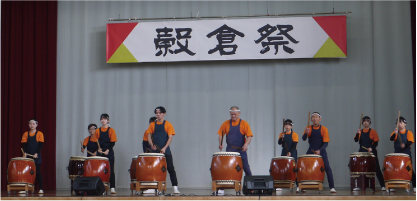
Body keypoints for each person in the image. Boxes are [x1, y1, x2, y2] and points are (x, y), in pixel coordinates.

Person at [217, 106, 253, 195]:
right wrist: (221, 143)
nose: (233, 116)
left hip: (241, 151)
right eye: (232, 114)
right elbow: (221, 134)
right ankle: (221, 188)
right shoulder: (225, 124)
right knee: (226, 169)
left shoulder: (244, 124)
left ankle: (251, 187)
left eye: (235, 114)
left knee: (246, 169)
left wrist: (246, 144)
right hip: (230, 150)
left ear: (239, 113)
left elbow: (249, 136)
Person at [146, 106, 180, 194]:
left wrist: (164, 148)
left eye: (160, 113)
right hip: (155, 151)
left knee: (170, 168)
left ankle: (175, 187)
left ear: (164, 114)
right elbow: (149, 136)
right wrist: (151, 145)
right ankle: (153, 187)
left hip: (165, 151)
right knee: (153, 169)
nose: (158, 115)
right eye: (156, 113)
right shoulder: (152, 124)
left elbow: (170, 138)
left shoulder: (168, 124)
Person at [302, 112, 336, 193]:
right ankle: (303, 187)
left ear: (320, 119)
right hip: (311, 150)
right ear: (311, 119)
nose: (314, 118)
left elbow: (326, 143)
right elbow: (303, 139)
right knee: (305, 168)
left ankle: (332, 187)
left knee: (327, 168)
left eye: (316, 117)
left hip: (321, 151)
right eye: (313, 117)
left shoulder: (324, 129)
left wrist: (319, 150)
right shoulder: (308, 128)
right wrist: (306, 133)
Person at [353, 116, 385, 191]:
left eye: (367, 121)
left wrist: (372, 148)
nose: (365, 122)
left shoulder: (373, 131)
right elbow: (355, 140)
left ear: (369, 122)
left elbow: (376, 143)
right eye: (364, 121)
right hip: (362, 152)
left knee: (376, 168)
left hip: (371, 152)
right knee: (360, 169)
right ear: (362, 123)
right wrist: (357, 133)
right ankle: (359, 185)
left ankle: (383, 186)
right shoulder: (360, 131)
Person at [91, 114, 117, 194]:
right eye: (102, 119)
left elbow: (113, 142)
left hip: (109, 152)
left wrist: (108, 150)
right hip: (100, 152)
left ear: (108, 120)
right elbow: (95, 142)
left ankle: (112, 187)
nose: (103, 120)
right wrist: (97, 149)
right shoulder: (98, 131)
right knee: (100, 170)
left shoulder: (111, 130)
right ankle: (100, 188)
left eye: (105, 119)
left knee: (111, 169)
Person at [390, 116, 416, 193]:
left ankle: (415, 185)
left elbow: (410, 142)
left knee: (409, 169)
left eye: (401, 122)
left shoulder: (409, 132)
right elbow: (391, 139)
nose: (399, 124)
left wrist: (405, 145)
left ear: (405, 123)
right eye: (398, 123)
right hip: (397, 154)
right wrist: (394, 134)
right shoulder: (395, 131)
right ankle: (393, 186)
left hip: (406, 154)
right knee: (396, 169)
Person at [21, 119, 44, 194]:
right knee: (26, 172)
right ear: (28, 125)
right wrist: (24, 153)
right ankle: (25, 189)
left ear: (36, 125)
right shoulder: (25, 134)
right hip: (28, 156)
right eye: (30, 124)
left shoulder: (40, 134)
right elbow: (24, 145)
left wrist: (36, 153)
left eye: (33, 124)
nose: (32, 125)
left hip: (36, 156)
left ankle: (41, 188)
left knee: (37, 172)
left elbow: (40, 145)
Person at [278, 119, 299, 192]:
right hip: (284, 152)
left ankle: (298, 186)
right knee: (282, 168)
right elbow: (279, 143)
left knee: (294, 169)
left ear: (291, 126)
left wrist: (290, 152)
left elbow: (294, 145)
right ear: (284, 126)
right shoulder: (282, 134)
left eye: (289, 125)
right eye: (286, 125)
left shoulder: (294, 134)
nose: (287, 127)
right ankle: (279, 185)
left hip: (292, 152)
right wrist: (281, 138)